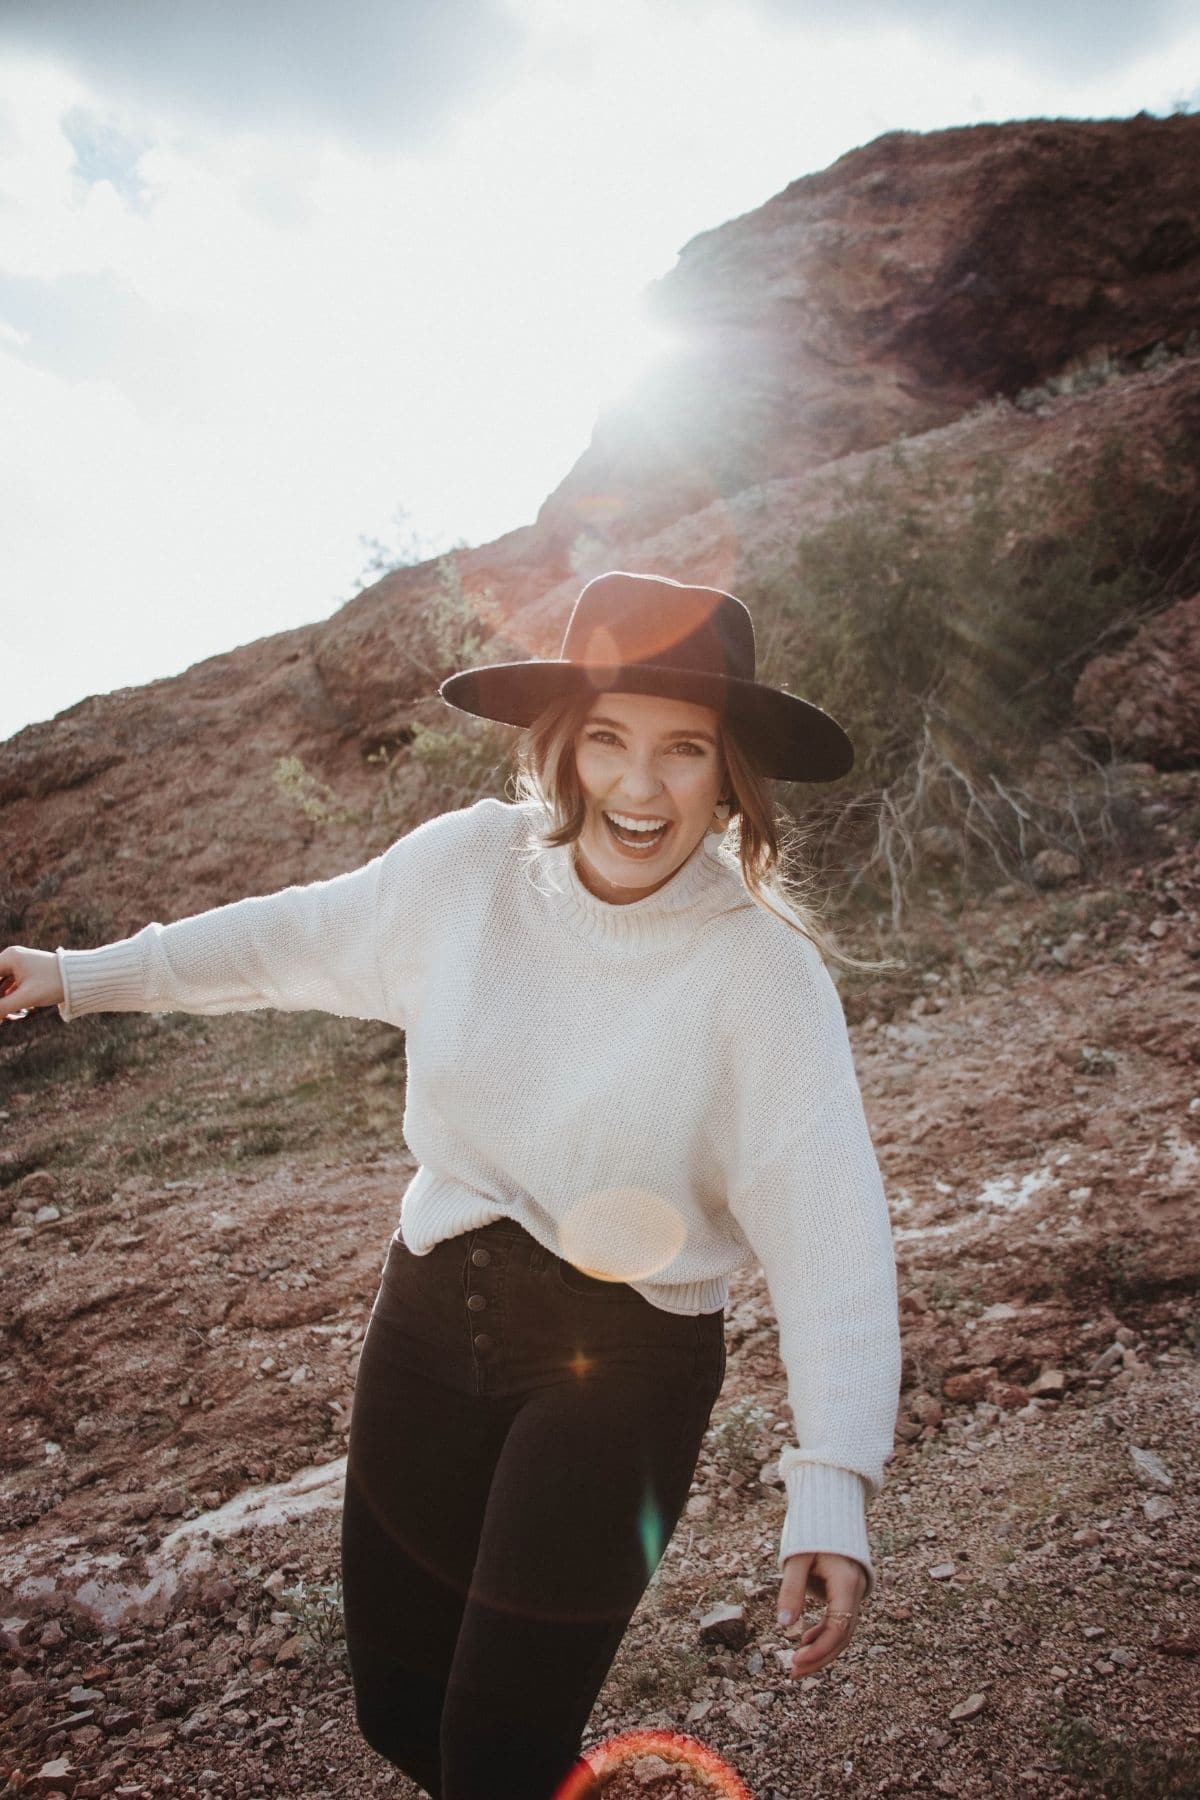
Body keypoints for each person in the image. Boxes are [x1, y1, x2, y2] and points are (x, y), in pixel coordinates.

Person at [1, 569, 902, 1800]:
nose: (642, 788)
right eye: (609, 740)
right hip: (427, 1318)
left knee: (494, 1752)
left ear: (730, 770)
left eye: (684, 749)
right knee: (397, 1708)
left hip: (622, 1372)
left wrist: (833, 1483)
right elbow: (289, 938)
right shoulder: (469, 870)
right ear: (565, 749)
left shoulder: (762, 975)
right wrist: (74, 974)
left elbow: (831, 1228)